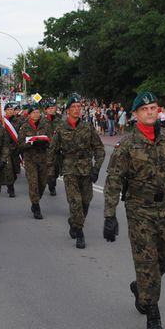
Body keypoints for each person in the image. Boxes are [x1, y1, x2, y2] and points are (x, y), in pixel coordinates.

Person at [103, 92, 165, 329]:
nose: (151, 112)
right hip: (139, 210)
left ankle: (140, 286)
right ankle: (153, 315)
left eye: (154, 108)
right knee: (147, 263)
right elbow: (113, 181)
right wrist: (109, 215)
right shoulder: (127, 145)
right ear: (136, 114)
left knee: (164, 260)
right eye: (145, 109)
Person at [47, 96, 105, 249]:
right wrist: (51, 173)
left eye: (79, 106)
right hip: (69, 168)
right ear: (67, 110)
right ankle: (80, 233)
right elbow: (52, 152)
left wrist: (97, 168)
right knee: (75, 201)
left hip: (86, 168)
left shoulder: (87, 127)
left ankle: (74, 221)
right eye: (73, 106)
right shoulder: (60, 128)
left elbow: (99, 148)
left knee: (86, 201)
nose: (77, 109)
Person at [18, 105, 51, 219]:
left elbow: (51, 139)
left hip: (43, 158)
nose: (36, 114)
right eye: (34, 112)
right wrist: (31, 143)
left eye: (38, 112)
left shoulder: (46, 126)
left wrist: (46, 143)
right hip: (30, 159)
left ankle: (36, 199)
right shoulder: (24, 127)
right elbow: (20, 144)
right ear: (30, 114)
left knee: (42, 183)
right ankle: (36, 206)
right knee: (33, 183)